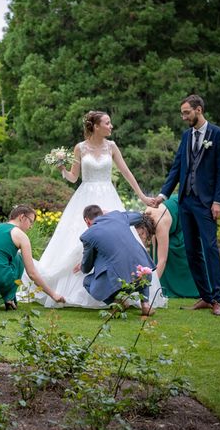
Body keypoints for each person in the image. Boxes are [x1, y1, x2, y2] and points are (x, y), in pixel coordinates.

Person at [18, 111, 167, 310]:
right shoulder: (80, 148)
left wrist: (141, 196)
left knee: (119, 238)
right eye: (107, 123)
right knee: (77, 240)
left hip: (108, 196)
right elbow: (73, 177)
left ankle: (123, 289)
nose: (111, 126)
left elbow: (126, 172)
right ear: (96, 126)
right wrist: (62, 168)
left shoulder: (111, 147)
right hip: (85, 196)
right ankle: (75, 289)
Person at [153, 94, 220, 316]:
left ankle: (217, 299)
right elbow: (177, 168)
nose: (183, 116)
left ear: (198, 110)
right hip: (185, 201)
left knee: (210, 248)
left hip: (206, 203)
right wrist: (163, 195)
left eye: (186, 112)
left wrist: (217, 201)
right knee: (191, 250)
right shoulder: (187, 136)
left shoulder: (219, 135)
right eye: (182, 113)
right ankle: (205, 296)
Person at [0, 205, 66, 310]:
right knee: (19, 259)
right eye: (31, 222)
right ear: (22, 217)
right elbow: (32, 273)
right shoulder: (21, 236)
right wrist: (53, 294)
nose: (31, 226)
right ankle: (9, 298)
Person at [78, 205, 156, 316]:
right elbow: (139, 216)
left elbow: (86, 268)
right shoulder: (117, 216)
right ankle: (146, 305)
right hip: (144, 272)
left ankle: (118, 302)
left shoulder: (88, 235)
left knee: (87, 282)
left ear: (86, 220)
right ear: (102, 213)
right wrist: (113, 213)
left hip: (120, 283)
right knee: (138, 267)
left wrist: (82, 264)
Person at [139, 195, 199, 298]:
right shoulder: (143, 219)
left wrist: (150, 287)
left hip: (184, 211)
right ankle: (160, 285)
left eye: (142, 235)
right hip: (169, 215)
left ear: (147, 229)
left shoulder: (160, 223)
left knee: (174, 249)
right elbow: (152, 253)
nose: (141, 238)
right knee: (156, 250)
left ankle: (190, 288)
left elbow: (162, 260)